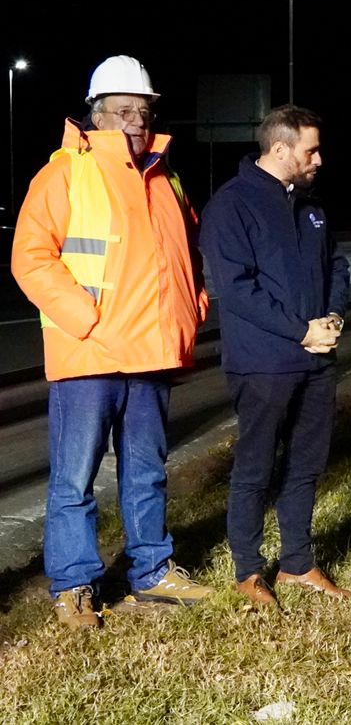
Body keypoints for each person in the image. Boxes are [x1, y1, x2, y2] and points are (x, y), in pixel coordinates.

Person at [12, 56, 213, 629]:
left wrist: (192, 310)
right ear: (96, 115)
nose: (134, 121)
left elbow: (186, 258)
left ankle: (152, 571)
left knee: (146, 470)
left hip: (150, 353)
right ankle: (74, 582)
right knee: (75, 479)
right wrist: (87, 318)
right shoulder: (65, 172)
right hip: (91, 353)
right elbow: (30, 257)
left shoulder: (167, 177)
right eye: (122, 110)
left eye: (143, 111)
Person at [200, 104, 351, 609]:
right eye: (311, 149)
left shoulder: (311, 206)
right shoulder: (232, 205)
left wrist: (330, 316)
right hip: (263, 362)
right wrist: (299, 330)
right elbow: (236, 288)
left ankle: (297, 563)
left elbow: (335, 264)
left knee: (306, 465)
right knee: (256, 467)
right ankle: (248, 570)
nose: (319, 159)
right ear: (280, 149)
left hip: (315, 361)